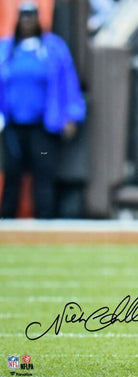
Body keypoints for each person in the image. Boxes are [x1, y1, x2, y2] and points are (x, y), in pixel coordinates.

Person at [0, 1, 86, 218]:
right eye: (24, 16)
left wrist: (71, 115)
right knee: (11, 174)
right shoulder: (7, 48)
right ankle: (7, 222)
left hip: (43, 124)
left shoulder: (53, 48)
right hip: (11, 125)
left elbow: (68, 81)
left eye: (32, 15)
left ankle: (45, 222)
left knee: (44, 175)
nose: (28, 21)